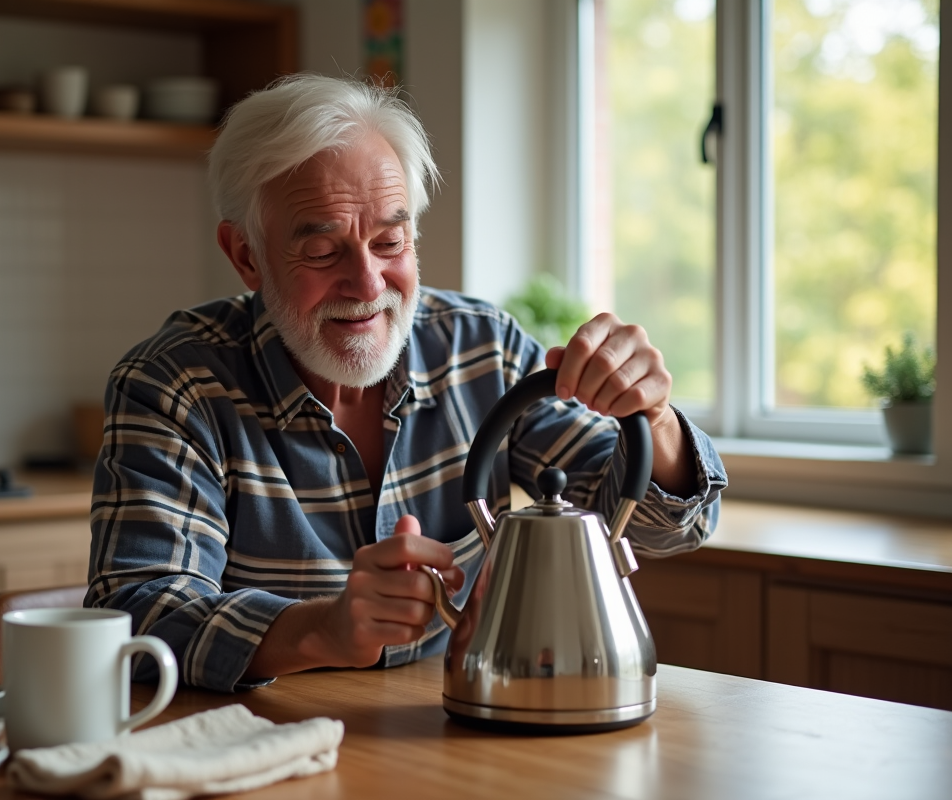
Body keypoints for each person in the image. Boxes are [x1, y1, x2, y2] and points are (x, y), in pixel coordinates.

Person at [86, 74, 727, 692]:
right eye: (322, 251)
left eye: (390, 241)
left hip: (450, 728)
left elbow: (661, 528)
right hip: (262, 744)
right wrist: (320, 629)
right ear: (246, 256)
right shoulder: (175, 382)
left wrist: (655, 418)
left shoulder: (484, 350)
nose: (368, 286)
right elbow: (133, 617)